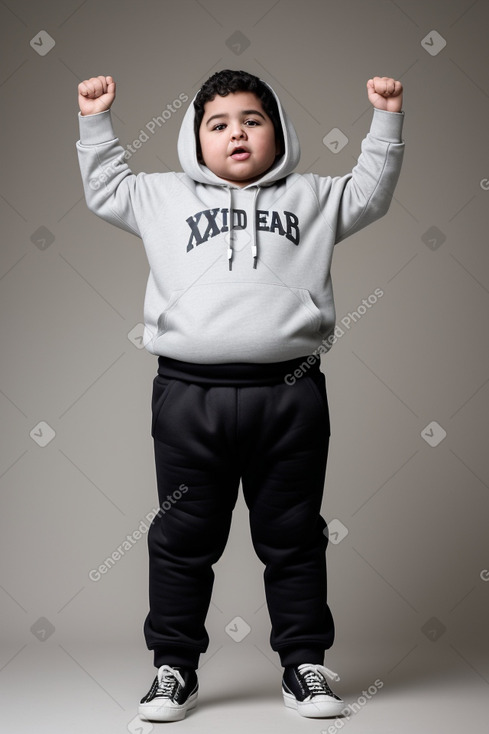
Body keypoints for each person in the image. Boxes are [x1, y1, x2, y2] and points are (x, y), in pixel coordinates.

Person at [76, 69, 404, 722]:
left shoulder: (313, 196)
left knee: (293, 537)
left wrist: (386, 119)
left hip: (289, 398)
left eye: (252, 120)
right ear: (193, 139)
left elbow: (369, 193)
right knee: (181, 538)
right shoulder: (160, 197)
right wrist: (95, 121)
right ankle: (173, 669)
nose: (236, 133)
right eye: (218, 123)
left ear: (277, 132)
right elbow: (104, 189)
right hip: (186, 396)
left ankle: (302, 666)